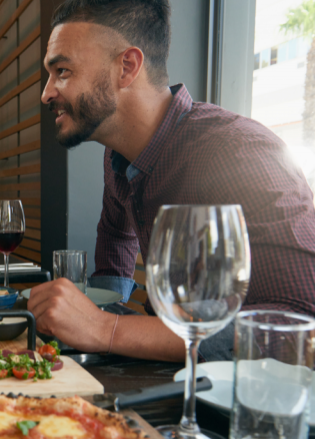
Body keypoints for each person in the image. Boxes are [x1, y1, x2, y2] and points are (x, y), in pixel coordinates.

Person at [29, 0, 315, 362]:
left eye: (63, 71)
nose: (47, 92)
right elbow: (116, 233)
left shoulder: (245, 153)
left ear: (127, 67)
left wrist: (105, 328)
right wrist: (101, 312)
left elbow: (301, 326)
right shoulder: (117, 156)